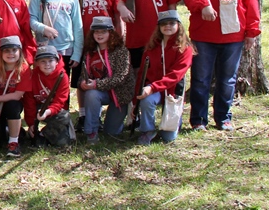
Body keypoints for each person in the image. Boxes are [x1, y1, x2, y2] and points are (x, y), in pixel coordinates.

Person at [184, 0, 261, 132]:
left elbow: (251, 1)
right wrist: (203, 5)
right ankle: (199, 120)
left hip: (233, 35)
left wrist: (252, 31)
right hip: (204, 36)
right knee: (201, 78)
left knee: (227, 79)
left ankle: (223, 118)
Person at [135, 9, 192, 145]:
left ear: (178, 25)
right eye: (163, 24)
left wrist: (152, 87)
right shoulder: (151, 47)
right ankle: (147, 130)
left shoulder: (185, 48)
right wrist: (134, 101)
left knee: (168, 138)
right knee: (146, 99)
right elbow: (142, 74)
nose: (167, 26)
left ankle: (175, 120)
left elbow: (175, 75)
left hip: (173, 92)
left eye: (171, 23)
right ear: (159, 27)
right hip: (153, 90)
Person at [78, 16, 135, 144]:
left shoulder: (121, 51)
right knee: (91, 94)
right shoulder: (89, 53)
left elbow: (120, 78)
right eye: (96, 32)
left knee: (111, 132)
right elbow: (83, 75)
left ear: (111, 32)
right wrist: (83, 83)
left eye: (103, 31)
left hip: (119, 95)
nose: (100, 35)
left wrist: (96, 84)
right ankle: (91, 131)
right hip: (99, 93)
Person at [29, 0, 83, 76]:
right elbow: (31, 19)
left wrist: (77, 52)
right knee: (43, 84)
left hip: (65, 49)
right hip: (44, 47)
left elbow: (77, 25)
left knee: (61, 82)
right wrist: (43, 28)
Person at [0, 35, 30, 157]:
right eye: (7, 50)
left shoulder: (24, 69)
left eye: (14, 50)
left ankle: (14, 142)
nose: (11, 53)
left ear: (20, 51)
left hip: (10, 103)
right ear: (1, 53)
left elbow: (17, 95)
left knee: (13, 107)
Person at [22, 45, 72, 147]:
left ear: (57, 61)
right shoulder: (32, 76)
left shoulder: (62, 76)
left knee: (63, 142)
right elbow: (29, 101)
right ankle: (36, 135)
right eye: (43, 61)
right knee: (35, 140)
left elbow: (59, 102)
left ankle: (43, 134)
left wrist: (47, 112)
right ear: (37, 63)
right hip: (37, 108)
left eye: (50, 60)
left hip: (55, 111)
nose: (47, 64)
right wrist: (31, 123)